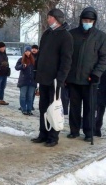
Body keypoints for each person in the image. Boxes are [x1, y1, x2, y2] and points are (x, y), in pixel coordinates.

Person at [65, 7, 106, 142]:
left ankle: (89, 132)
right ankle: (74, 130)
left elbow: (104, 58)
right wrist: (66, 74)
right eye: (85, 20)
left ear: (94, 21)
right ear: (81, 20)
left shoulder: (101, 36)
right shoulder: (72, 34)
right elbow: (67, 56)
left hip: (90, 79)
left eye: (90, 20)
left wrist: (96, 73)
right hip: (73, 78)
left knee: (90, 108)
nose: (87, 22)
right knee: (74, 107)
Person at [31, 9, 73, 147]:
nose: (47, 20)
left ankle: (53, 136)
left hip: (55, 80)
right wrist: (36, 70)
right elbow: (41, 54)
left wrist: (61, 78)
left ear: (56, 19)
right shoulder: (47, 33)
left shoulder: (66, 36)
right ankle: (43, 133)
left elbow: (66, 60)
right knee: (43, 107)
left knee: (53, 107)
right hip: (43, 78)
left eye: (49, 17)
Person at [15, 46, 37, 115]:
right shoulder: (21, 59)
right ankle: (23, 108)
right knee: (23, 96)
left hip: (32, 81)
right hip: (23, 80)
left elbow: (37, 69)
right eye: (26, 51)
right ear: (24, 52)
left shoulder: (34, 60)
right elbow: (16, 67)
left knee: (30, 96)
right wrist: (22, 66)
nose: (28, 52)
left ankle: (29, 109)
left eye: (29, 51)